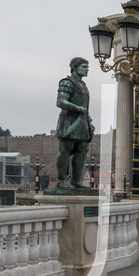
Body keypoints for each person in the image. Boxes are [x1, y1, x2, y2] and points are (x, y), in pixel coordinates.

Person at [55, 57, 94, 189]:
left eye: (87, 67)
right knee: (65, 150)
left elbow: (85, 106)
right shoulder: (67, 82)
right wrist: (78, 109)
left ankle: (76, 180)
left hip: (83, 123)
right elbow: (60, 101)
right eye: (84, 67)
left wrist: (89, 121)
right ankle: (61, 181)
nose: (87, 69)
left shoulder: (83, 85)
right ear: (75, 68)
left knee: (83, 149)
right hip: (69, 121)